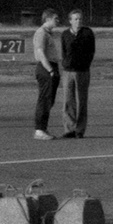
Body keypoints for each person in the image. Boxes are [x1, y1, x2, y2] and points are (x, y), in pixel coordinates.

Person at [60, 8, 96, 139]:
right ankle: (69, 129)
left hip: (82, 71)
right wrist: (66, 63)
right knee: (68, 100)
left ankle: (79, 130)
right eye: (75, 19)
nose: (78, 21)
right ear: (70, 21)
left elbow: (92, 51)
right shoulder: (65, 34)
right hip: (68, 71)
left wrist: (85, 64)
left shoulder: (88, 33)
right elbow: (64, 52)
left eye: (80, 18)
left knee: (82, 101)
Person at [31, 9, 62, 140]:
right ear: (47, 19)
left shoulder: (48, 34)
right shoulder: (41, 33)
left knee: (49, 100)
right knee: (44, 100)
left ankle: (43, 127)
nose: (58, 21)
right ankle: (39, 130)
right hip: (45, 68)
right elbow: (41, 53)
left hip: (51, 66)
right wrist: (50, 70)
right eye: (55, 18)